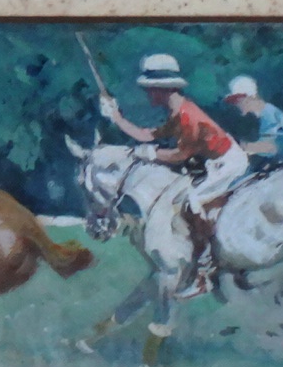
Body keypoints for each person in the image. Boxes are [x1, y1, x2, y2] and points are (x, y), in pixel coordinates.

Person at [101, 54, 249, 299]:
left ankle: (205, 271)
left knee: (192, 201)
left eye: (150, 88)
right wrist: (116, 117)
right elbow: (147, 135)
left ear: (164, 89)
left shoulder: (188, 116)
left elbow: (180, 155)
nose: (147, 93)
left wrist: (151, 153)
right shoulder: (176, 112)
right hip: (212, 164)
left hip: (228, 163)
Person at [223, 75, 283, 172]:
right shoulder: (261, 114)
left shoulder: (268, 114)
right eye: (234, 101)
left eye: (238, 100)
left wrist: (246, 147)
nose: (236, 104)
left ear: (251, 97)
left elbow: (276, 146)